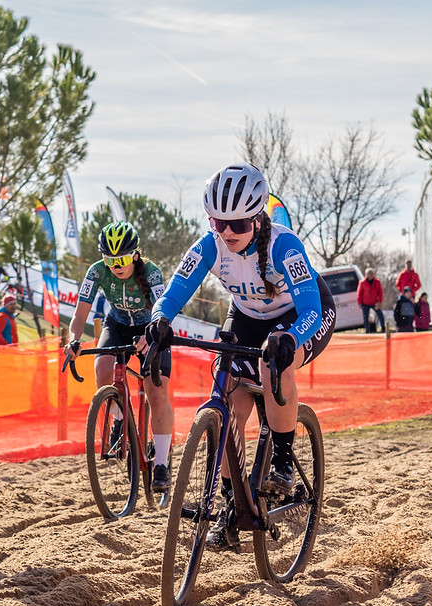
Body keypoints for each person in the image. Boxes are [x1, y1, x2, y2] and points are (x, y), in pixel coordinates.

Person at [144, 162, 336, 550]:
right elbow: (173, 292)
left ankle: (282, 462)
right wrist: (159, 319)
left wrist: (291, 338)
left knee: (274, 366)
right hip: (247, 317)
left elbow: (311, 309)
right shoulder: (208, 245)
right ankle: (234, 505)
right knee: (229, 394)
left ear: (259, 219)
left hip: (299, 316)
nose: (228, 232)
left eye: (239, 225)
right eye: (219, 222)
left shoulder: (284, 245)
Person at [65, 221, 173, 493]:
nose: (115, 265)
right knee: (101, 366)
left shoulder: (152, 273)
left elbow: (166, 311)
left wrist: (150, 338)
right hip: (117, 324)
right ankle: (118, 417)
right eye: (109, 259)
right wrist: (73, 340)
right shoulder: (96, 271)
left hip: (151, 327)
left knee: (156, 392)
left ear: (135, 255)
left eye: (122, 259)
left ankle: (161, 463)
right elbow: (79, 315)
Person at [357, 268, 385, 333]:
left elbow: (380, 292)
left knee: (380, 315)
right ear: (366, 274)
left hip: (374, 302)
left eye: (371, 273)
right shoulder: (362, 282)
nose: (370, 275)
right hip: (365, 303)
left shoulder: (377, 282)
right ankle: (367, 330)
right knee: (366, 318)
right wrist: (359, 302)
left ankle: (383, 328)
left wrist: (380, 302)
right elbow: (359, 293)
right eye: (369, 273)